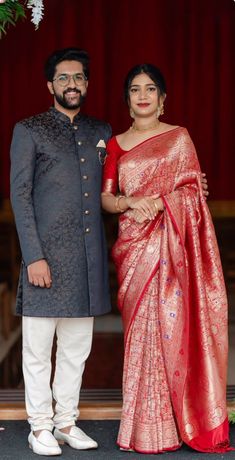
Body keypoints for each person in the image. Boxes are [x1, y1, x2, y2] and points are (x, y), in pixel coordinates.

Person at [101, 64, 232, 454]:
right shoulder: (115, 144)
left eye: (151, 89)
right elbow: (107, 197)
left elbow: (193, 191)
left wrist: (161, 202)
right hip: (135, 248)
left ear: (162, 99)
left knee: (171, 331)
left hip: (172, 250)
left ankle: (178, 422)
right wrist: (131, 202)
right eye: (136, 89)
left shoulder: (179, 139)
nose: (143, 95)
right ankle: (142, 428)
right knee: (141, 336)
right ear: (127, 100)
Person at [10, 47, 111, 456]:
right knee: (38, 349)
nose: (73, 84)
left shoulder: (99, 130)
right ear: (50, 84)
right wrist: (33, 256)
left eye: (80, 77)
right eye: (65, 78)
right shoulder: (30, 129)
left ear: (87, 83)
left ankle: (66, 421)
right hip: (45, 260)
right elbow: (19, 194)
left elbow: (121, 183)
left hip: (87, 259)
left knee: (76, 349)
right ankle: (39, 427)